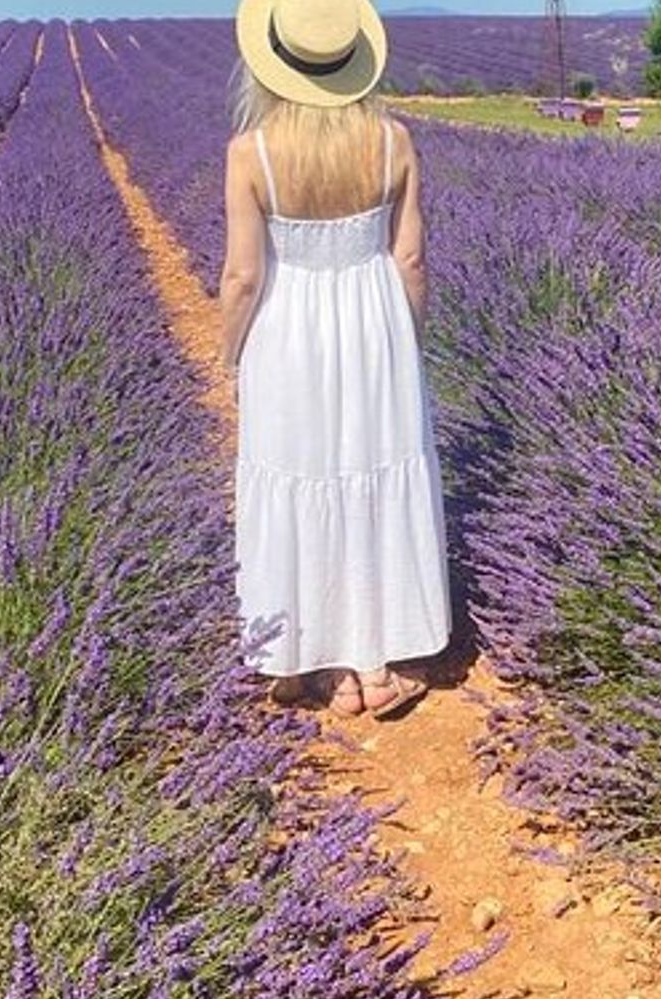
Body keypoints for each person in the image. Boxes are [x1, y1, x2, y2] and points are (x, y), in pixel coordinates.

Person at [222, 0, 449, 720]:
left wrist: (232, 355)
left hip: (289, 328)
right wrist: (405, 342)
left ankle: (313, 665)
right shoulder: (394, 142)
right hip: (374, 320)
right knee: (375, 473)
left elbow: (242, 278)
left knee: (301, 475)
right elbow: (409, 258)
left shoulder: (251, 153)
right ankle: (378, 664)